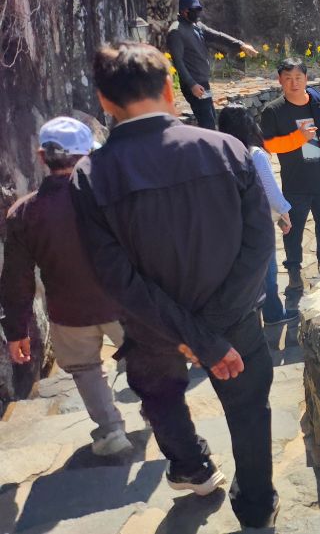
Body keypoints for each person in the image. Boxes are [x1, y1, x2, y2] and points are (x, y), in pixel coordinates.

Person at [70, 42, 278, 528]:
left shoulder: (91, 177)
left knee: (161, 399)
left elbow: (117, 278)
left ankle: (192, 467)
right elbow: (259, 246)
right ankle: (256, 508)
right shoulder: (226, 149)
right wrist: (213, 335)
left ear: (104, 100)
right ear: (168, 87)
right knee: (249, 412)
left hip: (153, 329)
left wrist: (195, 337)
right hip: (235, 325)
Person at [0, 117, 132, 457]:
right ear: (89, 154)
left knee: (85, 369)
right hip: (125, 302)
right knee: (144, 357)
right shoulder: (113, 196)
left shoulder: (24, 213)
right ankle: (160, 413)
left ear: (42, 157)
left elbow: (17, 278)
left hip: (68, 311)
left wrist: (16, 331)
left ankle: (111, 430)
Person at [260, 57, 320, 292]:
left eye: (298, 78)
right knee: (292, 232)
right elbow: (268, 145)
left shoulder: (318, 103)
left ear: (306, 78)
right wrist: (297, 138)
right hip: (295, 184)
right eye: (288, 78)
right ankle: (293, 273)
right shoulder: (273, 111)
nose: (294, 83)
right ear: (280, 80)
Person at [217, 104, 299, 326]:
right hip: (256, 223)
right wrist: (284, 213)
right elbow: (269, 191)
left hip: (229, 223)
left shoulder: (218, 152)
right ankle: (273, 314)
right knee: (267, 271)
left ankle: (247, 318)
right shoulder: (255, 154)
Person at [166, 0, 258, 130]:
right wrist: (192, 85)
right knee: (207, 123)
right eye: (194, 10)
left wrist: (241, 45)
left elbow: (218, 36)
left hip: (203, 82)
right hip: (194, 84)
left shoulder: (196, 25)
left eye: (199, 9)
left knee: (210, 120)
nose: (198, 13)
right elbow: (178, 62)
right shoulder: (176, 32)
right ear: (184, 11)